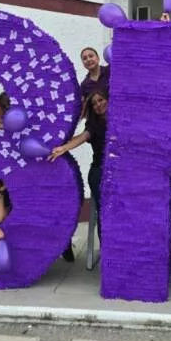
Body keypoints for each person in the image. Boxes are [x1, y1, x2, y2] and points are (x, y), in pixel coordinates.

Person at [49, 90, 108, 240]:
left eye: (101, 100)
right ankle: (108, 248)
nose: (98, 105)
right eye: (94, 104)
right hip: (101, 172)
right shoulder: (94, 125)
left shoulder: (123, 121)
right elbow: (83, 137)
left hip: (121, 173)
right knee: (106, 212)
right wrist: (63, 148)